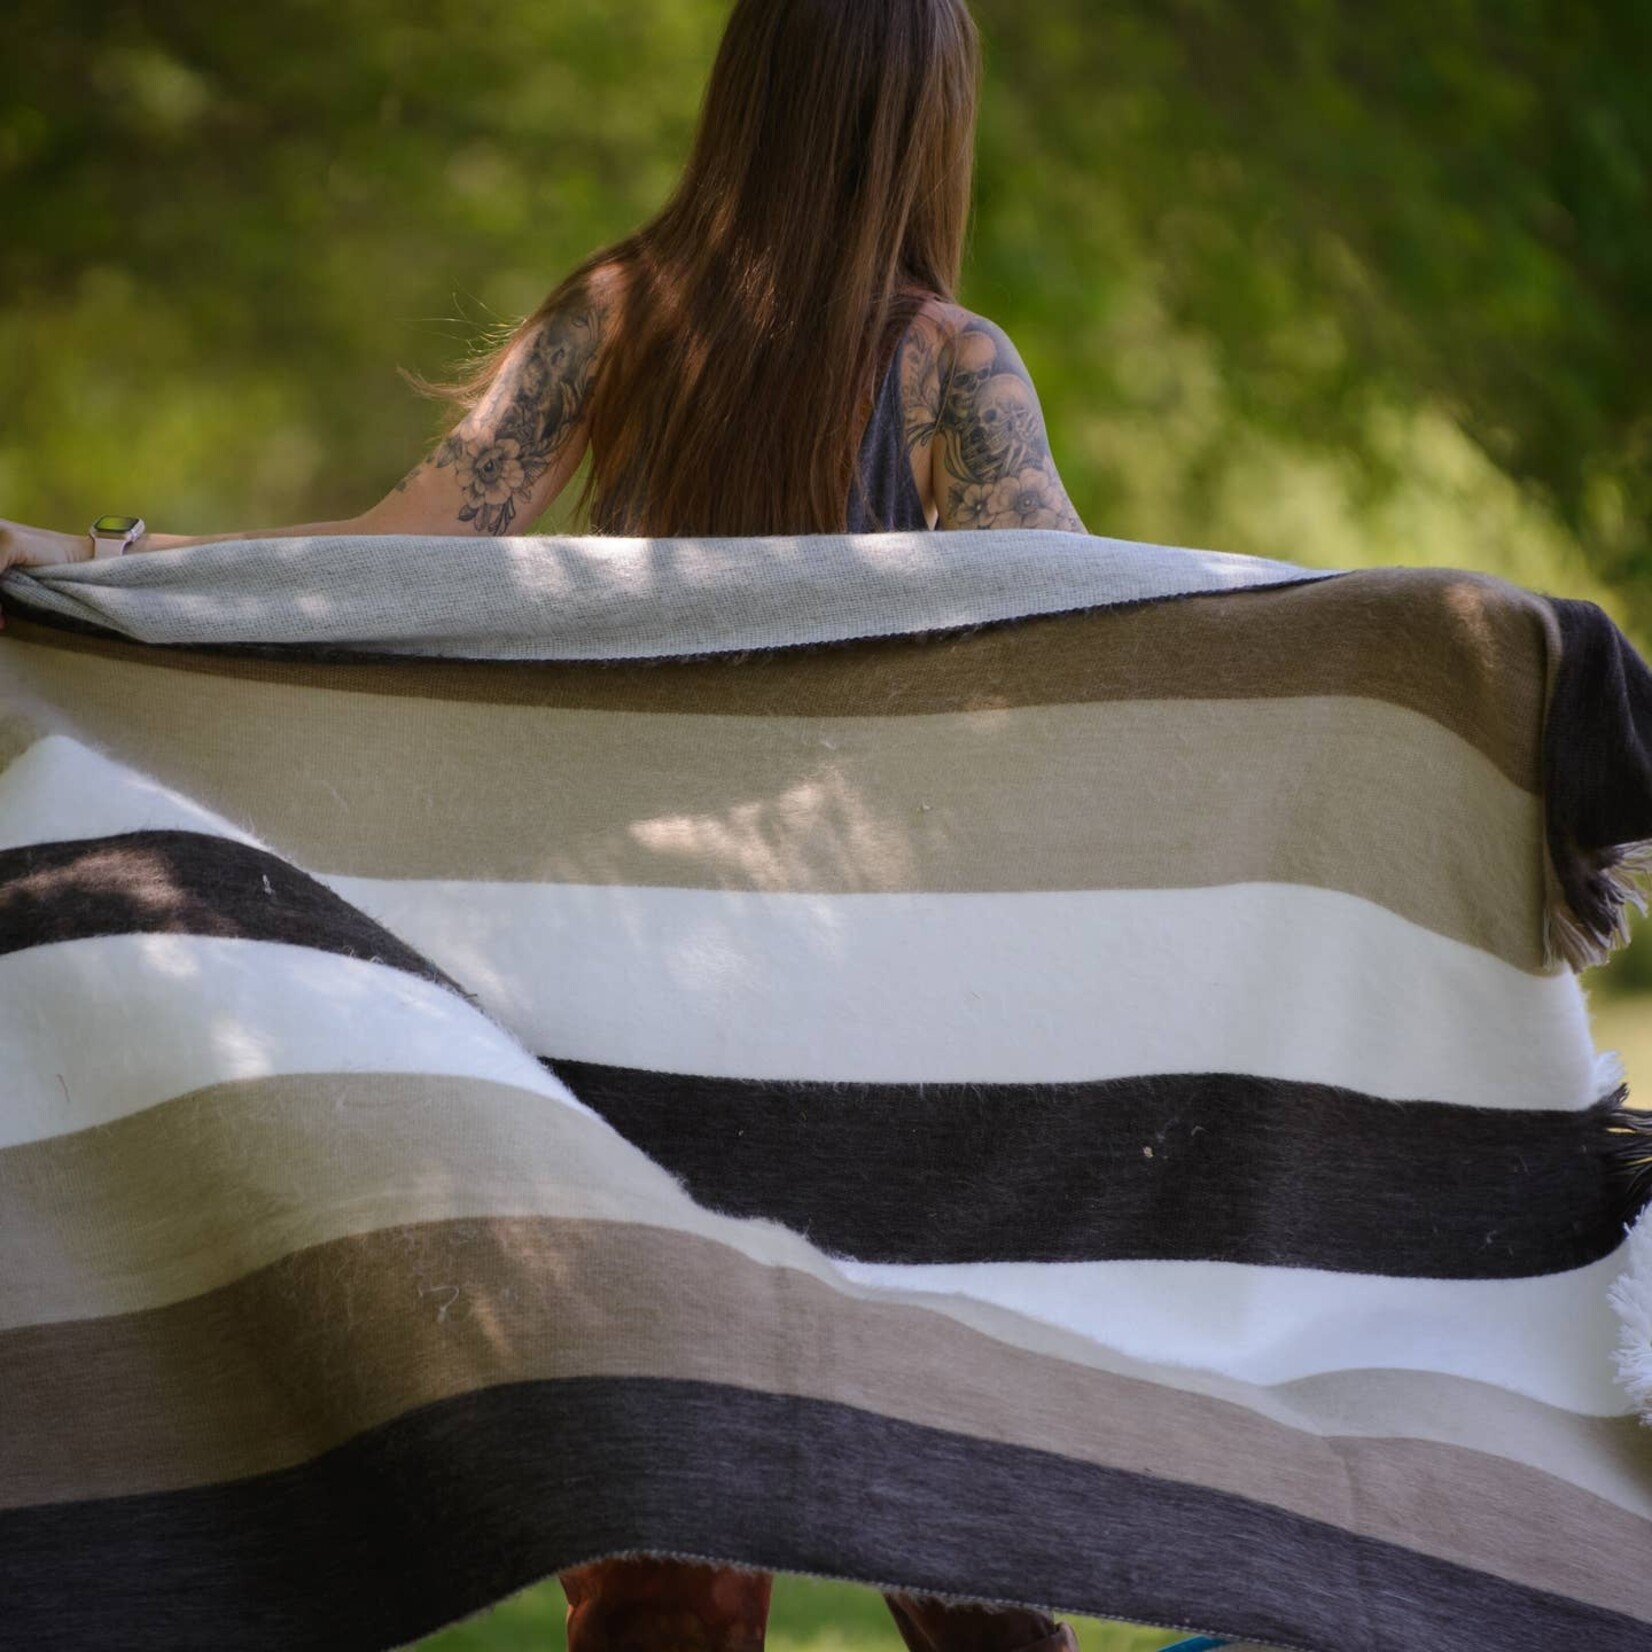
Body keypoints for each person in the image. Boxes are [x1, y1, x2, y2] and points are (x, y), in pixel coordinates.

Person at [0, 4, 1102, 1649]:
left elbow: (388, 554)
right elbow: (1091, 644)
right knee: (954, 1525)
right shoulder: (953, 367)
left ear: (750, 98)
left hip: (632, 994)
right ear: (924, 124)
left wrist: (100, 560)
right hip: (868, 1016)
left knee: (670, 1565)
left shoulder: (622, 314)